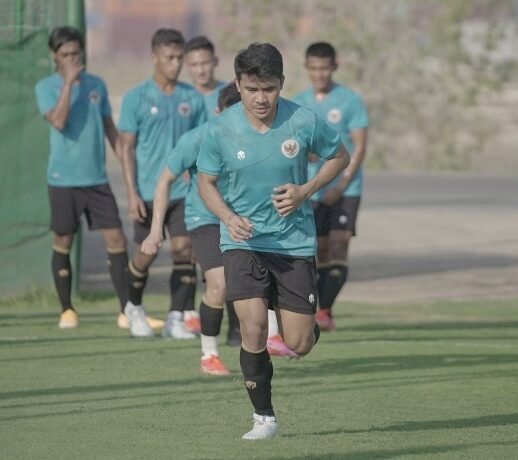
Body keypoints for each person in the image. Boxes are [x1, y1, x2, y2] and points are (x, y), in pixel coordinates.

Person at [197, 43, 349, 439]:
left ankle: (305, 326)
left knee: (298, 343)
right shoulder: (221, 129)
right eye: (251, 89)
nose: (260, 98)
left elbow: (340, 156)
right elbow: (205, 182)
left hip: (293, 244)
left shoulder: (302, 121)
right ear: (238, 85)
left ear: (281, 84)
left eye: (268, 89)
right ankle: (263, 417)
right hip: (242, 242)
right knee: (251, 329)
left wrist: (306, 190)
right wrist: (228, 216)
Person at [141, 84, 297, 377]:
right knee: (220, 285)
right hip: (207, 219)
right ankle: (208, 355)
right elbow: (164, 181)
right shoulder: (197, 138)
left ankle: (272, 337)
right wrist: (154, 230)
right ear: (219, 112)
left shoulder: (259, 136)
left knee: (268, 277)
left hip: (247, 219)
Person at [34, 26, 129, 329]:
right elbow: (59, 121)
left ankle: (128, 311)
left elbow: (109, 128)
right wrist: (68, 85)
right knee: (63, 239)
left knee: (117, 238)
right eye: (65, 55)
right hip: (63, 180)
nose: (72, 59)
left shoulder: (97, 85)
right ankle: (67, 310)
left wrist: (125, 159)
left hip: (97, 179)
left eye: (76, 53)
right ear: (55, 56)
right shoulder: (46, 87)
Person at [117, 28, 206, 338]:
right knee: (147, 253)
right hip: (146, 190)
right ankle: (134, 307)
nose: (176, 63)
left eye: (180, 57)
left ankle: (175, 318)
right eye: (170, 57)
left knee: (184, 251)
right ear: (154, 57)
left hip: (183, 192)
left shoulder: (192, 98)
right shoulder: (136, 98)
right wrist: (130, 193)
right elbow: (125, 147)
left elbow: (201, 142)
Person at [293, 42, 369, 331]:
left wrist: (343, 182)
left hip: (345, 189)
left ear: (334, 67)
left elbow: (359, 147)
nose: (319, 74)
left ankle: (323, 310)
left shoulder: (350, 100)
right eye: (313, 68)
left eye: (324, 68)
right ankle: (320, 310)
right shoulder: (299, 102)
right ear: (307, 68)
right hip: (312, 188)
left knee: (339, 246)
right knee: (320, 250)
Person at [184, 36, 228, 120]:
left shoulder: (229, 93)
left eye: (205, 63)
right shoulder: (183, 97)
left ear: (215, 61)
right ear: (187, 66)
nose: (200, 71)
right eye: (194, 65)